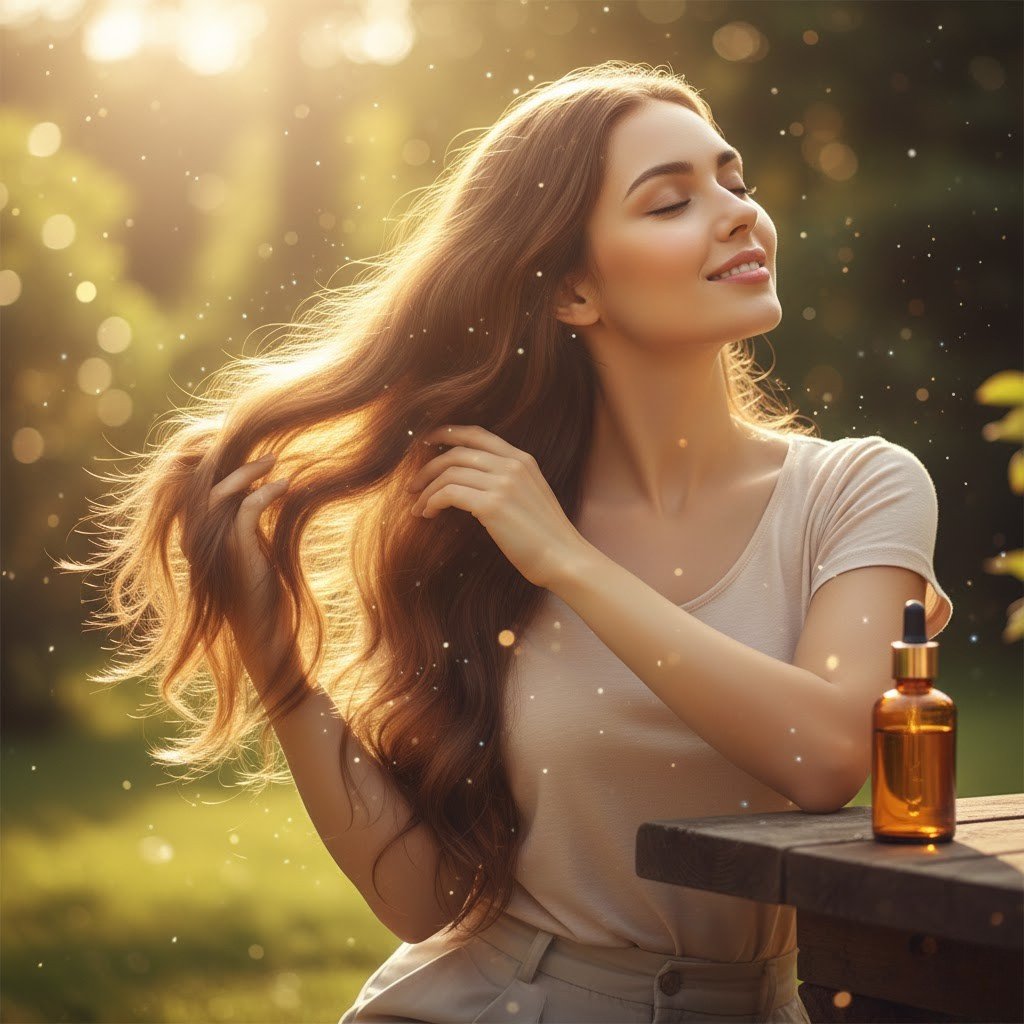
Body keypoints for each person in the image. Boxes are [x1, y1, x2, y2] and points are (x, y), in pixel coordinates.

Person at [60, 61, 953, 1023]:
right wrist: (275, 660)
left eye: (733, 181)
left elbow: (821, 750)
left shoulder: (859, 488)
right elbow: (424, 901)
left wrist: (567, 559)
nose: (739, 212)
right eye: (671, 203)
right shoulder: (479, 527)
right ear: (573, 291)